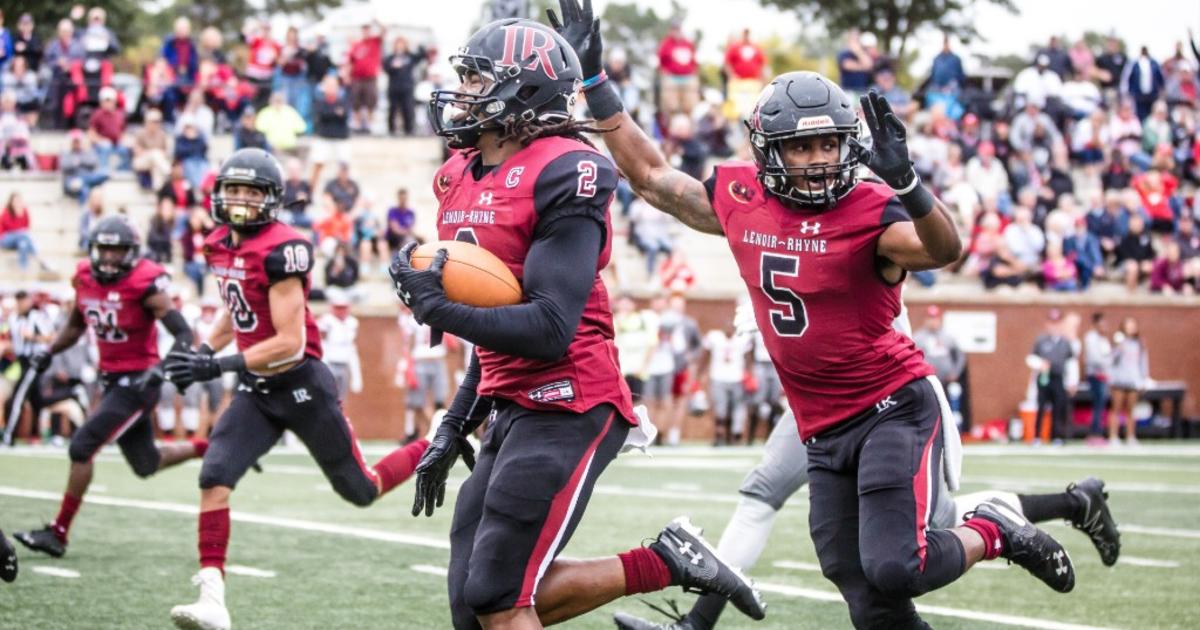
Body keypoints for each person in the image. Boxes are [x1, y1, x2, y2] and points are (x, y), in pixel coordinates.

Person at [562, 2, 1078, 626]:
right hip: (822, 427)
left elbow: (945, 249)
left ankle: (994, 528)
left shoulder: (870, 209)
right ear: (768, 150)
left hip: (891, 408)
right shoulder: (742, 196)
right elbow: (649, 175)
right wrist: (593, 79)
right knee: (857, 581)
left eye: (828, 143)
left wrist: (910, 183)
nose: (816, 159)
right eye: (800, 146)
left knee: (897, 565)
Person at [392, 15, 764, 629]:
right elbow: (490, 319)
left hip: (570, 399)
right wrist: (455, 423)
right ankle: (666, 559)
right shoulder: (457, 173)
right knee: (471, 607)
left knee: (496, 594)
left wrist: (433, 306)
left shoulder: (569, 169)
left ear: (524, 89)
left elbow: (548, 326)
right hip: (509, 397)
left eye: (476, 80)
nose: (461, 94)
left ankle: (663, 561)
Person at [615, 303, 1121, 630]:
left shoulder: (848, 213)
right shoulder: (769, 217)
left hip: (878, 395)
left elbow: (931, 241)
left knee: (914, 540)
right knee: (857, 562)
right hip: (820, 399)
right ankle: (1071, 505)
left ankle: (1007, 525)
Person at [164, 149, 431, 630]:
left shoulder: (284, 247)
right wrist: (204, 349)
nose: (241, 200)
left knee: (361, 490)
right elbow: (238, 306)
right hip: (256, 389)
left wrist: (217, 365)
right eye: (235, 190)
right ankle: (213, 598)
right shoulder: (218, 244)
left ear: (272, 199)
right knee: (213, 476)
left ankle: (435, 443)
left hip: (301, 384)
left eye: (253, 192)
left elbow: (290, 342)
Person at [11, 216, 204, 559]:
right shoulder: (85, 278)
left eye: (117, 251)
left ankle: (58, 533)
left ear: (131, 253)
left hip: (139, 382)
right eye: (105, 250)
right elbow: (74, 326)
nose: (110, 258)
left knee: (82, 446)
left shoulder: (146, 284)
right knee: (146, 463)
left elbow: (185, 334)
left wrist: (161, 369)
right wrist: (48, 351)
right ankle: (209, 446)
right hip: (112, 380)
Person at [398, 304, 449, 443]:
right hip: (420, 361)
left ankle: (437, 433)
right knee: (418, 402)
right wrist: (408, 366)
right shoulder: (412, 320)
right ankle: (435, 432)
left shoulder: (441, 316)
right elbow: (408, 345)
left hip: (438, 360)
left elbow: (452, 344)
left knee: (440, 401)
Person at [912, 306, 966, 427]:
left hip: (946, 379)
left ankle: (951, 428)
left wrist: (955, 372)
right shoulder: (918, 337)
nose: (933, 322)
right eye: (930, 318)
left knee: (948, 405)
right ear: (925, 320)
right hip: (927, 379)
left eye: (935, 318)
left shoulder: (948, 337)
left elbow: (960, 356)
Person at [701, 323, 750, 445]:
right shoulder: (714, 337)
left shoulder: (742, 338)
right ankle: (719, 435)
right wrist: (701, 372)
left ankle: (735, 435)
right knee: (720, 409)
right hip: (718, 377)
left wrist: (749, 374)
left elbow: (748, 357)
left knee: (737, 408)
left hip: (737, 377)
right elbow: (705, 355)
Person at [1030, 310, 1074, 443]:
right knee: (1041, 406)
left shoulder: (1065, 342)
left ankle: (1056, 436)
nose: (1054, 326)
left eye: (1057, 323)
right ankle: (1037, 436)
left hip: (1058, 377)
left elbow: (1071, 361)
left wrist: (1072, 381)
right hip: (1044, 377)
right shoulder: (1041, 340)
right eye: (1052, 323)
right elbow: (1031, 357)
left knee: (1058, 407)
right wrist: (1040, 364)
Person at [1108, 317, 1148, 447]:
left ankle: (1131, 436)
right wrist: (1118, 348)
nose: (1131, 327)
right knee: (1116, 409)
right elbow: (1111, 359)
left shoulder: (1139, 343)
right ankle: (1113, 436)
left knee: (1131, 410)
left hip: (1133, 380)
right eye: (1128, 325)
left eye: (1133, 325)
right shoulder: (1119, 341)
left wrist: (1143, 379)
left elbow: (1143, 362)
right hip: (1119, 379)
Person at [309, 75, 350, 192]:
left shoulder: (344, 101)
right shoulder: (319, 101)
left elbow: (344, 115)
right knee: (317, 164)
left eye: (333, 86)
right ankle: (310, 193)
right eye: (328, 85)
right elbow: (321, 115)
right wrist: (335, 113)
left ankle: (344, 193)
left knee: (344, 166)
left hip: (341, 138)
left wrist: (332, 114)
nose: (331, 88)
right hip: (323, 137)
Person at [318, 293, 359, 400]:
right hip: (330, 363)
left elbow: (351, 348)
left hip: (344, 364)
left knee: (341, 399)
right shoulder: (326, 321)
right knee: (328, 396)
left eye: (343, 308)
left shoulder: (352, 322)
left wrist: (356, 376)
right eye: (338, 308)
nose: (341, 311)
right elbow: (322, 344)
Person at [383, 36, 427, 136]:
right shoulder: (391, 58)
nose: (400, 46)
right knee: (392, 109)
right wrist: (393, 67)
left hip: (407, 87)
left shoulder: (410, 57)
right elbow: (385, 68)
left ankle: (409, 130)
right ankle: (391, 130)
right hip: (394, 87)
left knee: (407, 108)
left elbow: (422, 55)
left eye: (402, 44)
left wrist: (419, 45)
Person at [348, 20, 384, 133]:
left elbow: (384, 30)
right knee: (356, 102)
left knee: (370, 101)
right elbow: (351, 61)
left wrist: (377, 21)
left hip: (370, 77)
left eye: (368, 30)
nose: (366, 32)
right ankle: (357, 125)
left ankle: (369, 125)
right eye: (364, 30)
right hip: (357, 77)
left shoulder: (375, 42)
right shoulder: (356, 45)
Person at [0, 192, 49, 272]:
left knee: (23, 244)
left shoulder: (25, 211)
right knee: (23, 235)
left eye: (19, 200)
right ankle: (41, 260)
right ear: (11, 202)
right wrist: (18, 215)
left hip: (19, 240)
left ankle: (23, 269)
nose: (17, 202)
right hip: (5, 239)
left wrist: (21, 214)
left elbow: (27, 227)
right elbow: (11, 228)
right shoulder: (6, 212)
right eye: (15, 201)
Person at [1083, 312, 1113, 442]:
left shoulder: (1103, 339)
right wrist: (1108, 363)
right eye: (1102, 323)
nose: (1105, 326)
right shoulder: (1091, 338)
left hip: (1104, 376)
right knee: (1097, 405)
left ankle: (1098, 432)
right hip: (1096, 376)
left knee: (1101, 406)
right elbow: (1094, 359)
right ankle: (1095, 434)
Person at [385, 188, 416, 256]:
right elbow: (395, 229)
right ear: (398, 198)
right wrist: (406, 232)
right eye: (401, 198)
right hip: (393, 238)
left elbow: (411, 228)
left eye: (405, 198)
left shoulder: (411, 213)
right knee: (408, 241)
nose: (403, 201)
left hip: (405, 237)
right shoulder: (392, 211)